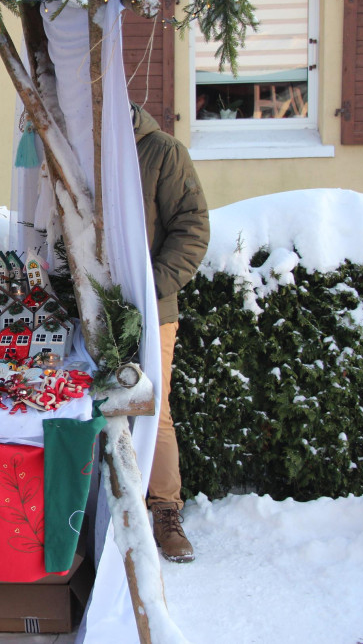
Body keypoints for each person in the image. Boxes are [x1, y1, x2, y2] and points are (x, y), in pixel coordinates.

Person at [132, 102, 210, 563]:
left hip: (153, 310)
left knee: (154, 408)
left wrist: (150, 288)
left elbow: (192, 228)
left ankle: (164, 509)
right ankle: (108, 509)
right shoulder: (81, 152)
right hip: (90, 311)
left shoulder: (162, 152)